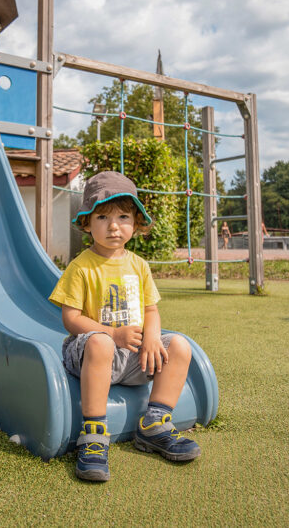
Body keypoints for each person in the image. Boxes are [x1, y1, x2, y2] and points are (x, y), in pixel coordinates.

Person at [50, 171, 200, 482]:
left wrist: (152, 338)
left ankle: (155, 423)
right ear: (87, 224)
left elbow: (151, 309)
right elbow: (71, 319)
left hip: (133, 357)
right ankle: (93, 434)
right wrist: (112, 334)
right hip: (91, 353)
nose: (114, 225)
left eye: (122, 216)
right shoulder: (81, 267)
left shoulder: (138, 265)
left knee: (180, 345)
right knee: (101, 343)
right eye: (102, 216)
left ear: (135, 222)